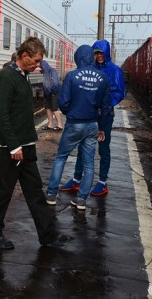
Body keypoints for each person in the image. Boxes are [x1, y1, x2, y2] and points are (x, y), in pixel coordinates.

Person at [0, 36, 58, 249]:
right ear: (24, 56)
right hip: (12, 148)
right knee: (4, 190)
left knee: (34, 190)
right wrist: (14, 145)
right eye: (35, 61)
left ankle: (48, 235)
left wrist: (24, 144)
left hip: (25, 145)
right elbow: (3, 116)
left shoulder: (23, 75)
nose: (38, 65)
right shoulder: (7, 77)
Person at [45, 45, 111, 210]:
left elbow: (63, 101)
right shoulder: (102, 77)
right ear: (91, 57)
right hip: (92, 125)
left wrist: (70, 113)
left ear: (78, 57)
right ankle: (81, 200)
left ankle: (51, 194)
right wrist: (101, 126)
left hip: (74, 123)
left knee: (61, 157)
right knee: (89, 164)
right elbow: (106, 106)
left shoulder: (72, 76)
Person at [59, 39, 126, 196]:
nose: (99, 56)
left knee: (103, 148)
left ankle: (102, 182)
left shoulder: (114, 70)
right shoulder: (91, 69)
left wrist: (105, 104)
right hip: (90, 115)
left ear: (107, 53)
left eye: (102, 53)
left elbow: (120, 92)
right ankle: (76, 179)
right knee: (83, 148)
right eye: (96, 53)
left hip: (105, 115)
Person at [40, 59, 63, 131]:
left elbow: (55, 83)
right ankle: (50, 124)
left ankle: (60, 125)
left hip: (53, 93)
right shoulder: (45, 72)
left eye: (41, 67)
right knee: (48, 108)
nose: (40, 69)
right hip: (48, 93)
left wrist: (53, 92)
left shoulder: (51, 71)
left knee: (54, 108)